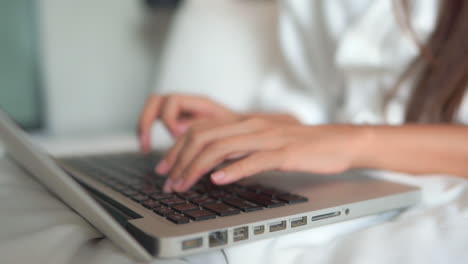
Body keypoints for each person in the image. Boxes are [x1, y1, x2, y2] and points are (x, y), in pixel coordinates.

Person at [138, 0, 468, 193]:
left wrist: (352, 143)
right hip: (351, 181)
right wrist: (250, 126)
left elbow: (337, 133)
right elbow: (315, 100)